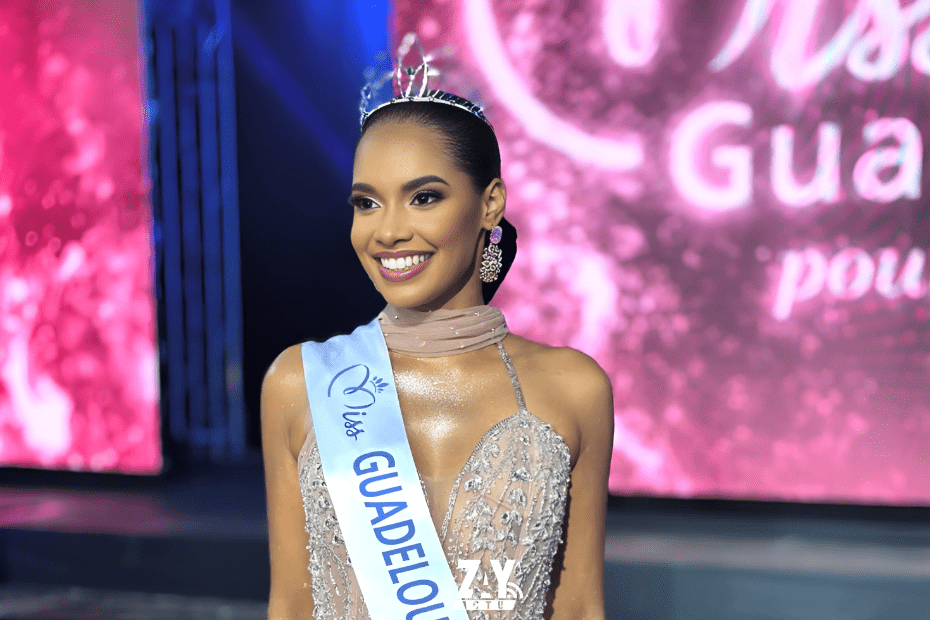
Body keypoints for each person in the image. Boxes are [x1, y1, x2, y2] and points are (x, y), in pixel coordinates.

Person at [261, 40, 613, 620]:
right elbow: (291, 604)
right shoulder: (301, 382)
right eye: (367, 203)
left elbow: (578, 607)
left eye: (423, 197)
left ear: (490, 203)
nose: (389, 231)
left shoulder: (574, 388)